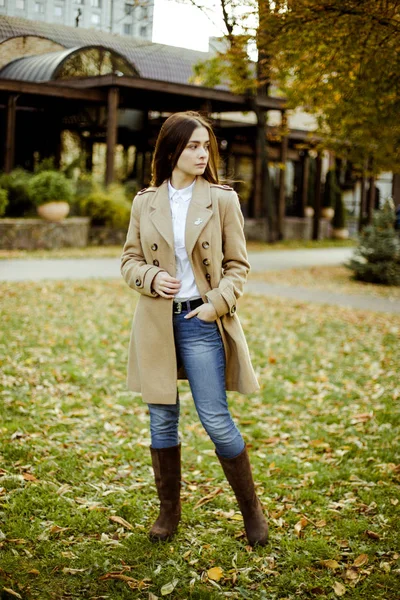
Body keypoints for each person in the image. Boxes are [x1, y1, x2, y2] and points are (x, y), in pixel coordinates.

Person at [120, 111, 268, 547]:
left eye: (206, 146)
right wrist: (149, 279)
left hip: (199, 321)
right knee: (162, 418)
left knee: (216, 420)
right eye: (193, 146)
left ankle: (252, 512)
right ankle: (168, 513)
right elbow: (128, 260)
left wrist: (214, 305)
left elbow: (239, 267)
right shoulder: (144, 201)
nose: (202, 154)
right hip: (155, 323)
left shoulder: (222, 200)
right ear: (171, 150)